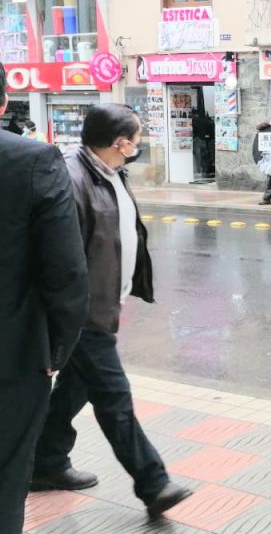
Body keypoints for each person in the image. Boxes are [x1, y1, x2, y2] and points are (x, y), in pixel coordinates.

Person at [32, 103, 194, 519]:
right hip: (81, 311)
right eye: (137, 139)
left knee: (75, 389)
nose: (139, 146)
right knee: (114, 397)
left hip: (104, 303)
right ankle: (153, 483)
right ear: (121, 143)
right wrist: (68, 314)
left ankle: (45, 462)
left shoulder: (109, 171)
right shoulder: (71, 177)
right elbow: (60, 257)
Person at [0, 64, 89, 533]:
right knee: (7, 472)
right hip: (12, 355)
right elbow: (67, 271)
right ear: (3, 104)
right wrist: (56, 350)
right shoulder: (33, 161)